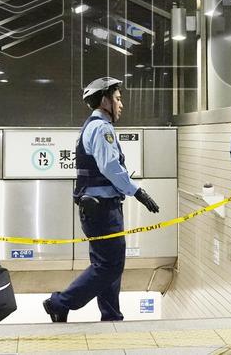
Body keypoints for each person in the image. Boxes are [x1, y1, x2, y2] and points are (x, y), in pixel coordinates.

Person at [43, 77, 160, 323]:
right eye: (117, 98)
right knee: (109, 266)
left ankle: (111, 314)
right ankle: (60, 303)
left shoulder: (92, 126)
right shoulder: (102, 128)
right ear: (104, 100)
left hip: (98, 207)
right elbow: (110, 167)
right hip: (102, 209)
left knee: (108, 263)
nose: (121, 104)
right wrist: (137, 192)